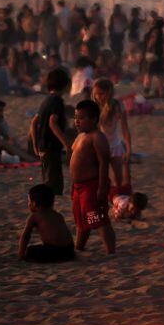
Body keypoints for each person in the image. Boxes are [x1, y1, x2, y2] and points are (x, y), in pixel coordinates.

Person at [70, 99, 116, 254]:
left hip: (92, 185)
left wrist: (102, 188)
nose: (77, 121)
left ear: (94, 119)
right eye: (76, 117)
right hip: (78, 187)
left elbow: (104, 162)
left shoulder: (97, 137)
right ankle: (79, 247)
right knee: (82, 220)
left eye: (81, 118)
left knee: (98, 218)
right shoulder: (81, 136)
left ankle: (110, 251)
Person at [30, 68, 71, 196]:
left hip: (43, 146)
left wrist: (35, 144)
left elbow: (33, 123)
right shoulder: (57, 101)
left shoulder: (46, 101)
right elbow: (52, 122)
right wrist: (66, 144)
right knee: (54, 183)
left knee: (48, 177)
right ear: (65, 85)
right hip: (51, 146)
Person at [18, 184, 75, 262]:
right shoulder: (58, 215)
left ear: (34, 203)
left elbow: (25, 236)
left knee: (30, 250)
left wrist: (21, 254)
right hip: (69, 250)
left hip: (53, 251)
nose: (28, 204)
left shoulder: (35, 216)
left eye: (29, 201)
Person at [91, 78, 131, 189]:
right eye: (96, 94)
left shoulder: (117, 106)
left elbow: (125, 129)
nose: (98, 97)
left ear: (109, 92)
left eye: (101, 94)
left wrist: (128, 149)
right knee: (100, 180)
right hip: (99, 147)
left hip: (115, 145)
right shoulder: (94, 107)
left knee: (118, 180)